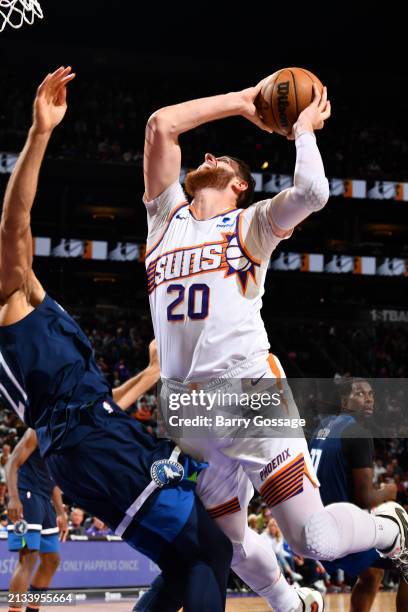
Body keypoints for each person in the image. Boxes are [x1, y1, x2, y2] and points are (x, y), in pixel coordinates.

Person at [143, 76, 408, 612]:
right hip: (187, 411)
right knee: (229, 545)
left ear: (239, 185)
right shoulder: (163, 220)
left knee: (315, 540)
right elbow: (162, 124)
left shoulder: (250, 225)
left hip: (249, 393)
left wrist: (303, 130)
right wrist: (243, 102)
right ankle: (297, 605)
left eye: (220, 158)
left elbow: (312, 193)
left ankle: (391, 530)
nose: (207, 151)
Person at [0, 66, 232, 612]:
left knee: (181, 566)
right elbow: (14, 223)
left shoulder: (26, 301)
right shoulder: (8, 298)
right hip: (95, 445)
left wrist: (151, 374)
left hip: (82, 448)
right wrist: (40, 133)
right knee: (211, 554)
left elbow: (20, 232)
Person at [309, 377, 408, 612]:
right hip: (342, 532)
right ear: (345, 400)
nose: (368, 398)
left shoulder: (322, 428)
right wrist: (390, 491)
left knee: (372, 574)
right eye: (360, 393)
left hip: (316, 527)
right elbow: (364, 499)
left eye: (371, 393)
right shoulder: (358, 433)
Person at [6, 428, 68, 612]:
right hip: (26, 496)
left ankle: (32, 610)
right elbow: (11, 463)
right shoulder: (36, 430)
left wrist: (60, 512)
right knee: (28, 558)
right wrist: (13, 498)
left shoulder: (61, 440)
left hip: (44, 499)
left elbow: (54, 481)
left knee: (52, 560)